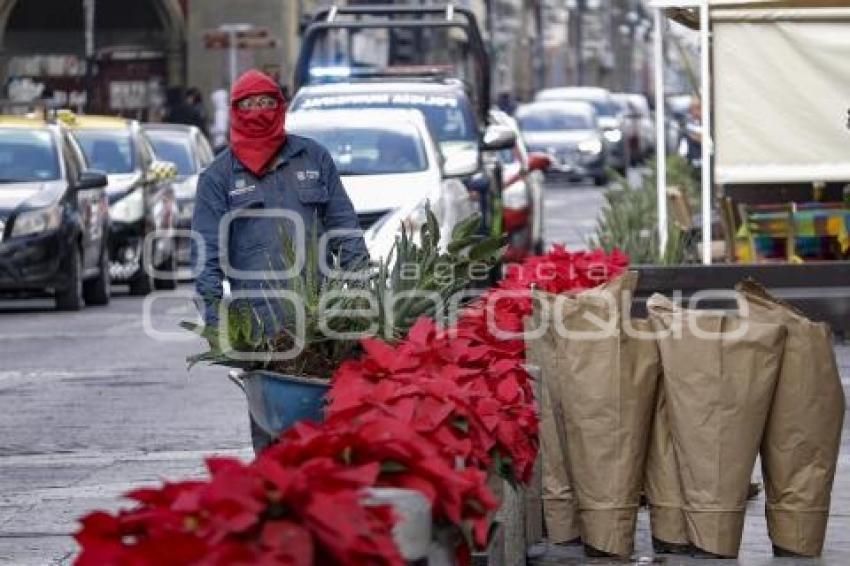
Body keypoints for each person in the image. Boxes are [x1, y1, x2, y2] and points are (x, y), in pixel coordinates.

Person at [192, 69, 368, 451]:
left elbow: (345, 228)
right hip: (260, 327)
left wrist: (360, 292)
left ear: (281, 106)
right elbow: (206, 253)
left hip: (323, 319)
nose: (259, 111)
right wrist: (213, 321)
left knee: (330, 422)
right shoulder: (218, 178)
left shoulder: (314, 157)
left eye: (267, 102)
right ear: (236, 112)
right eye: (249, 105)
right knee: (272, 430)